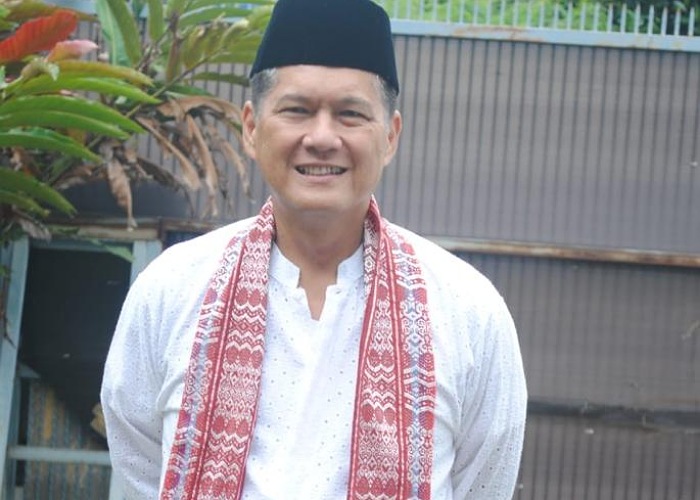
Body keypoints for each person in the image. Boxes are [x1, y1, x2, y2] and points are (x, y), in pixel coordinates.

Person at [100, 0, 527, 498]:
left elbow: (484, 482)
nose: (322, 137)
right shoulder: (172, 289)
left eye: (350, 114)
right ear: (252, 127)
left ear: (390, 136)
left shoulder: (467, 310)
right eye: (297, 110)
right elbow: (139, 462)